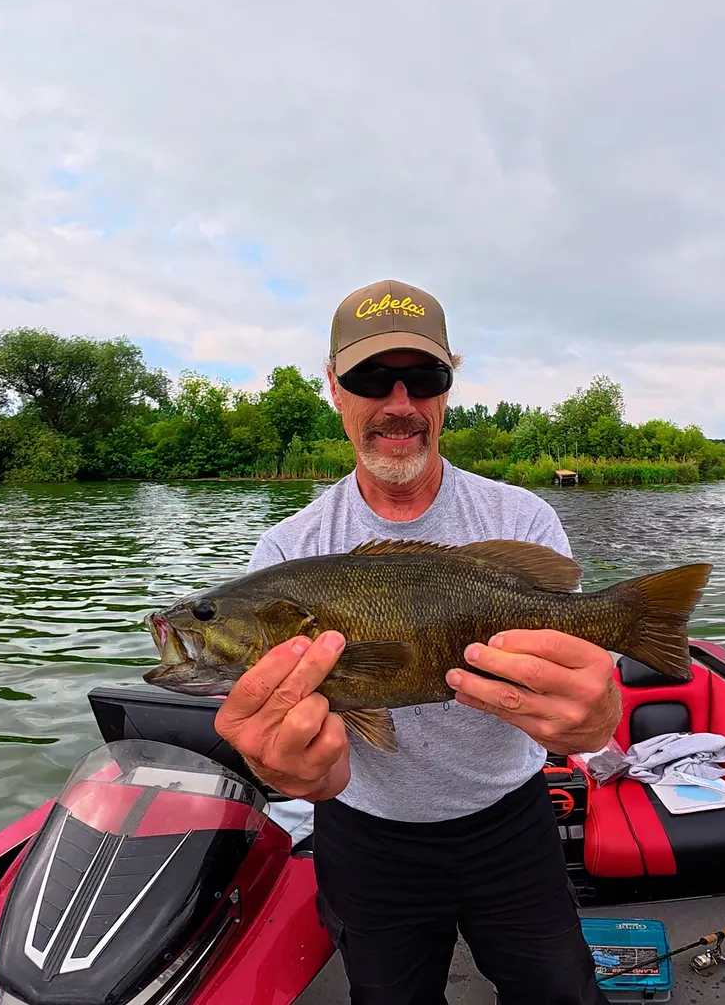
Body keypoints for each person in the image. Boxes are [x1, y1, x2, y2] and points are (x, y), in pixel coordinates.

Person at [213, 280, 618, 1004]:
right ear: (335, 387)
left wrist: (594, 717)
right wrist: (281, 762)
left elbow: (582, 687)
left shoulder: (519, 518)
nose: (398, 401)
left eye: (423, 376)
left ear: (446, 388)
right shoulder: (288, 548)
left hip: (511, 819)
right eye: (372, 377)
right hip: (367, 836)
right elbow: (300, 740)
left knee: (561, 991)